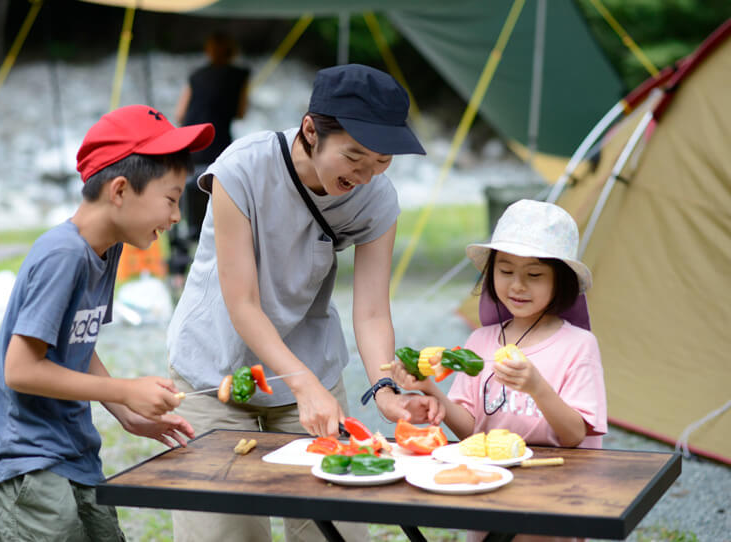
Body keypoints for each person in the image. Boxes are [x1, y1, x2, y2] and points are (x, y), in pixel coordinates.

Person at [166, 64, 443, 542]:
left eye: (381, 161)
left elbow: (373, 310)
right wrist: (303, 381)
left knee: (335, 528)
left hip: (308, 368)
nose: (365, 175)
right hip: (215, 368)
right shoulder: (242, 169)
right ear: (311, 130)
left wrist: (383, 387)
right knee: (225, 533)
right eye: (354, 156)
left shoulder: (376, 198)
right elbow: (243, 302)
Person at [0, 105, 215, 541]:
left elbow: (76, 345)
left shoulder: (106, 251)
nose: (177, 216)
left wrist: (126, 413)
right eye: (171, 199)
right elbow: (21, 369)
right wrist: (125, 389)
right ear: (120, 190)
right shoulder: (63, 254)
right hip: (29, 466)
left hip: (75, 457)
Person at [390, 199, 607, 542]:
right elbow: (471, 432)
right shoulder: (480, 340)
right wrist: (431, 391)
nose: (517, 285)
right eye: (505, 271)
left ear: (560, 281)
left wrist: (537, 386)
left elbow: (575, 435)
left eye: (534, 274)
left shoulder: (578, 346)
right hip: (488, 489)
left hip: (552, 499)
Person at [168, 31, 250, 291]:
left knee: (183, 208)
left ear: (208, 50)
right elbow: (241, 111)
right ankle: (218, 268)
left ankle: (178, 272)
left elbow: (180, 113)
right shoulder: (240, 75)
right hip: (219, 148)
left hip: (191, 146)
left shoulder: (196, 75)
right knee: (217, 206)